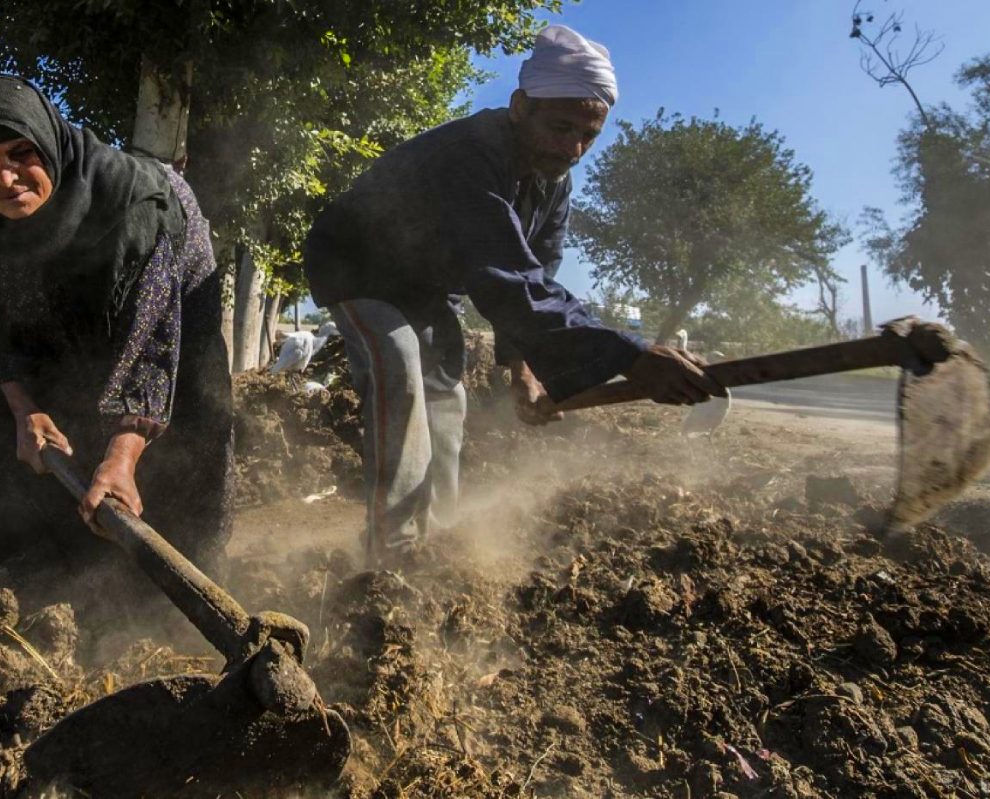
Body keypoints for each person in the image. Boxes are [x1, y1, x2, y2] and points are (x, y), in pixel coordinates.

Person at [303, 25, 720, 565]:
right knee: (400, 373)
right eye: (561, 127)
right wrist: (630, 355)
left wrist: (522, 366)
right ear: (521, 106)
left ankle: (437, 542)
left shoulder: (554, 180)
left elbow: (536, 270)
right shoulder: (469, 157)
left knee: (446, 403)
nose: (573, 148)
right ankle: (393, 554)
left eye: (588, 135)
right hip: (361, 269)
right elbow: (502, 274)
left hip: (430, 286)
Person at [0, 75, 233, 590]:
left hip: (167, 311)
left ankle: (174, 577)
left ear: (48, 142)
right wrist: (24, 410)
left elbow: (150, 346)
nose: (5, 180)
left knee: (189, 405)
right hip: (57, 313)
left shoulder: (135, 203)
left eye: (21, 154)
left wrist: (120, 456)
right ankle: (13, 555)